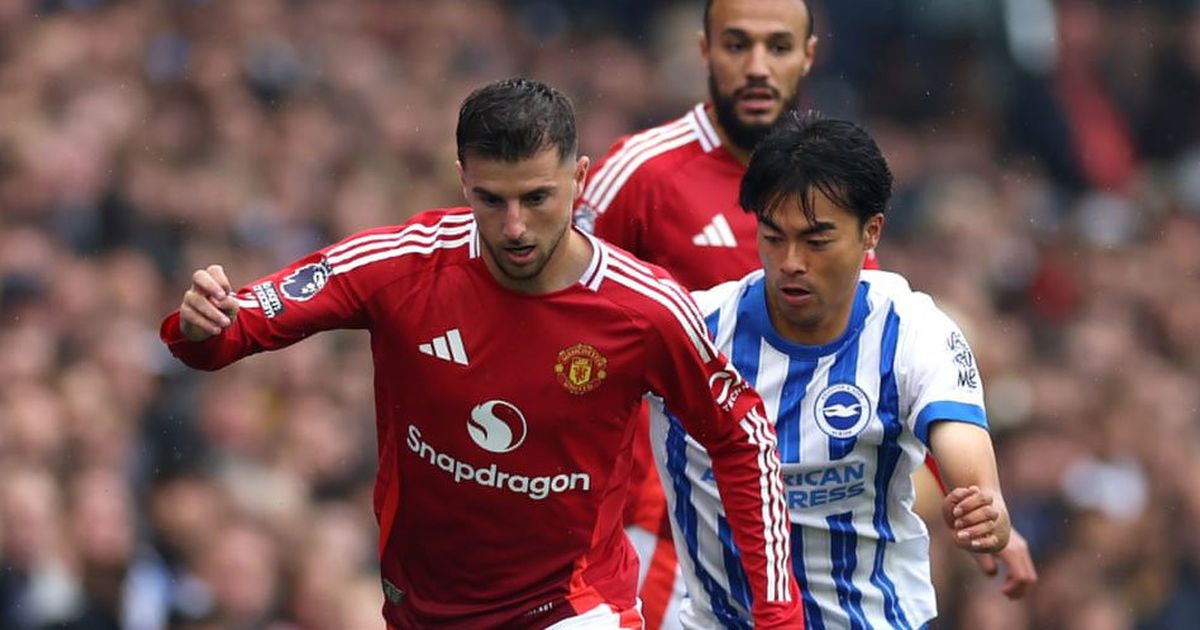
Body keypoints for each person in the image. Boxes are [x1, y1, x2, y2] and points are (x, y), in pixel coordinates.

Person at [159, 78, 803, 629]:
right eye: (491, 200)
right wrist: (203, 324)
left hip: (573, 606)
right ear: (462, 177)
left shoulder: (646, 308)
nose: (515, 226)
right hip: (424, 607)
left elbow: (742, 437)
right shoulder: (400, 264)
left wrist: (778, 615)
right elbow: (233, 331)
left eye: (537, 198)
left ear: (579, 181)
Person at [575, 1, 1034, 624]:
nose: (758, 66)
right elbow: (569, 325)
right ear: (704, 51)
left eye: (778, 46)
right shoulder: (637, 177)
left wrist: (980, 502)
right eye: (738, 45)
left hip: (844, 556)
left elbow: (902, 379)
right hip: (672, 526)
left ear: (809, 55)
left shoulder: (851, 209)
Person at [652, 112, 1011, 628]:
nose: (791, 261)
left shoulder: (914, 332)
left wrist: (986, 507)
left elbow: (968, 461)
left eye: (816, 240)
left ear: (871, 232)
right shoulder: (690, 333)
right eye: (773, 237)